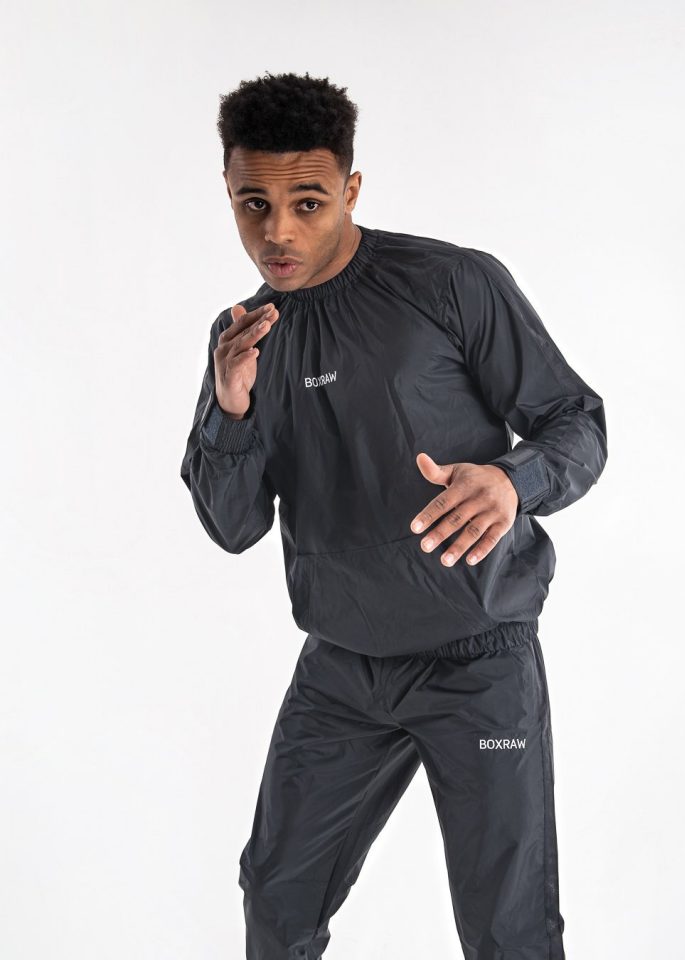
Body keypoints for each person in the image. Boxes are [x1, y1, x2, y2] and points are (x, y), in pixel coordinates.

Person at [180, 70, 607, 960]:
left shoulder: (451, 283)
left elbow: (577, 422)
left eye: (307, 201)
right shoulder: (245, 336)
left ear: (351, 189)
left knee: (509, 930)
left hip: (477, 660)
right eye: (254, 204)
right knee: (276, 901)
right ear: (228, 192)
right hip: (340, 669)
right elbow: (233, 526)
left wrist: (513, 481)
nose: (278, 231)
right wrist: (229, 407)